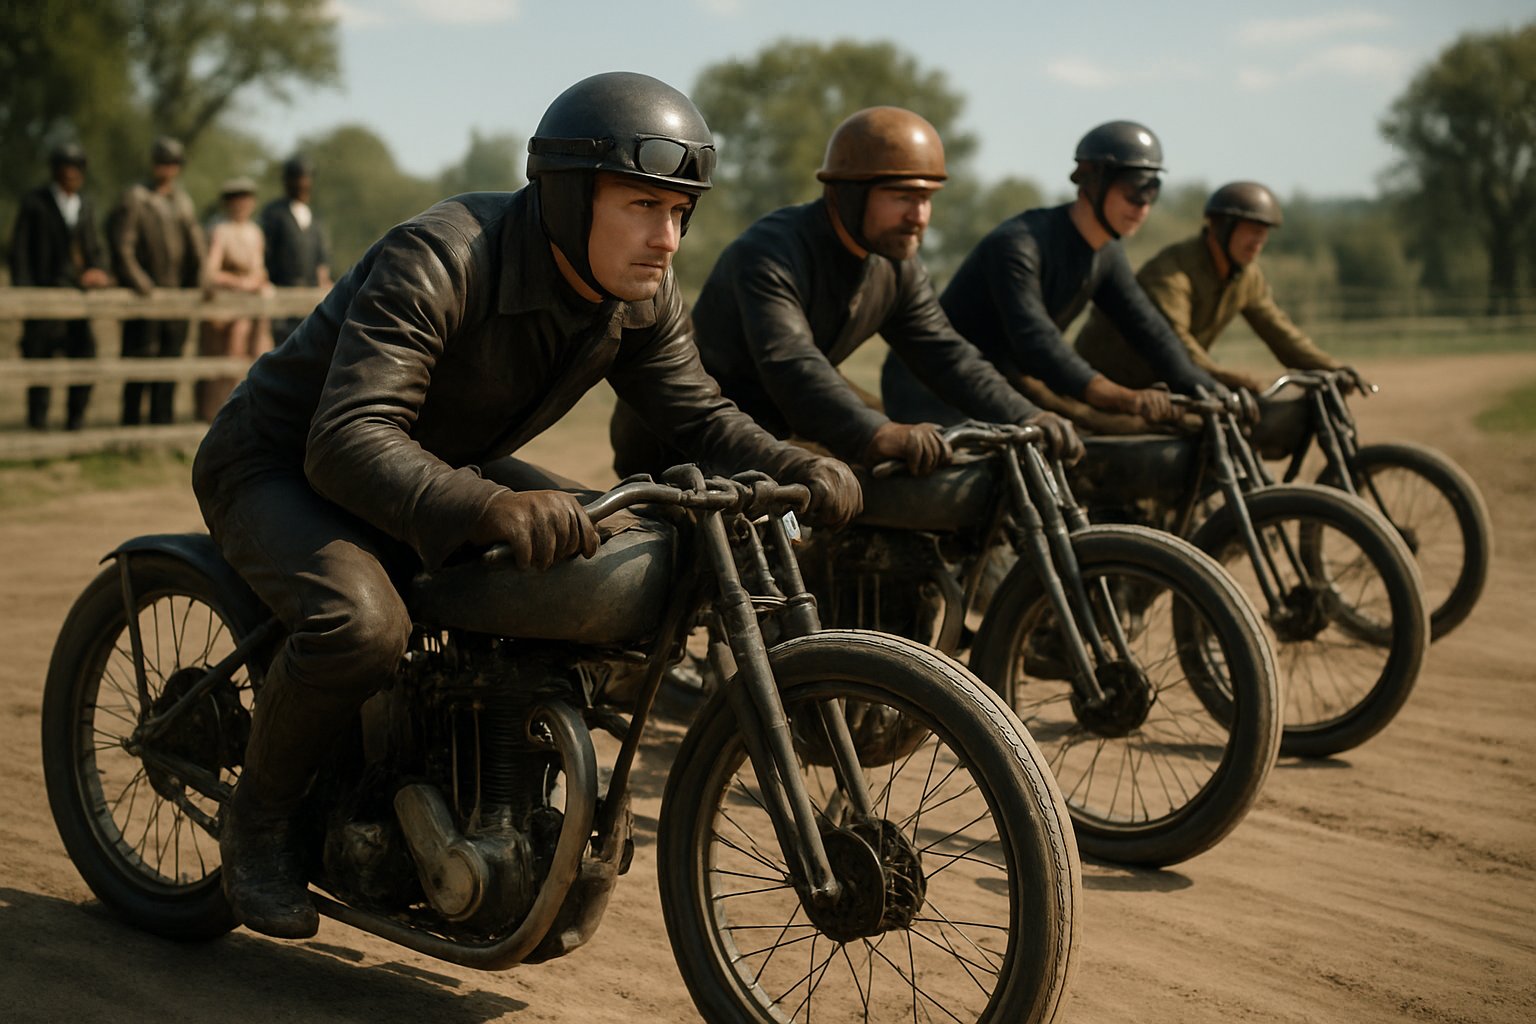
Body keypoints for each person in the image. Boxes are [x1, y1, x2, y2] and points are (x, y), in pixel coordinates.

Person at [194, 72, 861, 941]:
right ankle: (259, 825)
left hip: (434, 460)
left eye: (680, 212)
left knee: (617, 555)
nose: (667, 238)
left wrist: (792, 462)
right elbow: (349, 435)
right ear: (568, 196)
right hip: (283, 464)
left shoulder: (637, 295)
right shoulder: (439, 257)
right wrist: (487, 505)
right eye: (642, 206)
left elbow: (698, 413)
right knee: (363, 628)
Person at [610, 106, 1081, 481]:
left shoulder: (896, 267)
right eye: (903, 197)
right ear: (849, 193)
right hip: (689, 444)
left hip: (781, 434)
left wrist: (1027, 415)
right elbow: (793, 365)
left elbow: (947, 353)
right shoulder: (772, 252)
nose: (920, 216)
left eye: (927, 198)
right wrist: (879, 433)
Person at [881, 121, 1225, 434]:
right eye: (1133, 188)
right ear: (1092, 181)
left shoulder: (1106, 253)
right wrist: (1119, 397)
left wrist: (1206, 389)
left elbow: (1150, 329)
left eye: (1152, 190)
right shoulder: (1018, 244)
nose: (1142, 205)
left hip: (999, 386)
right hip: (929, 384)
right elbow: (1037, 343)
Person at [1076, 181, 1349, 395]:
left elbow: (1279, 331)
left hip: (1172, 384)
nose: (1259, 241)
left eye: (1264, 232)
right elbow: (1176, 342)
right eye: (1252, 229)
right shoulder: (1172, 272)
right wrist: (1225, 378)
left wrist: (1331, 367)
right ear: (1222, 227)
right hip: (1108, 384)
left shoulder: (1246, 277)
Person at [7, 143, 112, 430]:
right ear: (55, 171)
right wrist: (28, 296)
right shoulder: (35, 203)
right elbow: (20, 252)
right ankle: (37, 425)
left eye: (76, 167)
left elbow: (94, 248)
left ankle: (75, 422)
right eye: (65, 167)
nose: (71, 173)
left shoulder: (85, 205)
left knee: (85, 357)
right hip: (44, 296)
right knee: (40, 362)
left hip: (78, 299)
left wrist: (98, 271)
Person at [109, 135, 206, 425]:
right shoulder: (136, 197)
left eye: (173, 163)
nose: (167, 169)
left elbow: (196, 247)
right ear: (154, 165)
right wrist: (142, 284)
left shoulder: (183, 201)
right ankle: (131, 428)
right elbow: (122, 246)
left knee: (169, 364)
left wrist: (202, 281)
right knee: (139, 363)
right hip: (145, 299)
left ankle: (161, 428)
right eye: (162, 162)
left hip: (175, 300)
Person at [196, 177, 272, 421]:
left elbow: (260, 268)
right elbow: (210, 273)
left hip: (252, 306)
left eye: (246, 199)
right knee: (229, 358)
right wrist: (239, 283)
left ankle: (251, 414)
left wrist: (258, 281)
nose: (242, 205)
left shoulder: (255, 232)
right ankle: (221, 416)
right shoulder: (220, 231)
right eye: (236, 199)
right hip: (228, 306)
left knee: (259, 352)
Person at [260, 154, 331, 345]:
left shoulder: (314, 218)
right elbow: (264, 254)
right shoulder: (273, 214)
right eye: (297, 177)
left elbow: (321, 262)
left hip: (310, 295)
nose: (301, 183)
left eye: (305, 177)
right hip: (282, 292)